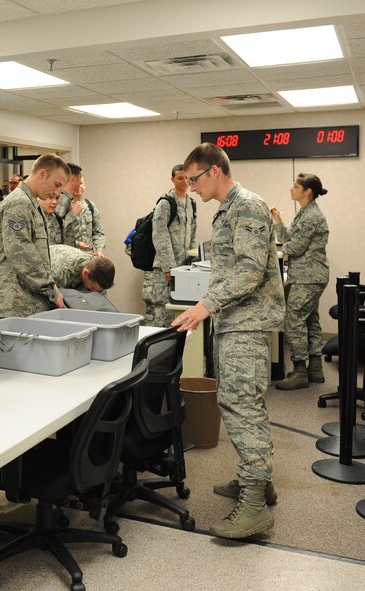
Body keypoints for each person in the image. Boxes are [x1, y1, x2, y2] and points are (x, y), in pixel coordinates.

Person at [172, 143, 285, 539]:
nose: (192, 187)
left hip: (246, 324)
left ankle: (254, 506)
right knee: (239, 403)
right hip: (233, 321)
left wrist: (207, 305)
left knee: (241, 406)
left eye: (194, 179)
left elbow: (251, 271)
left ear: (215, 171)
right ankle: (258, 482)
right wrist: (209, 306)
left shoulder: (247, 206)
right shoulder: (227, 210)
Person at [0, 155, 69, 319]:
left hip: (30, 303)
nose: (57, 192)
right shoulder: (18, 204)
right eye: (56, 184)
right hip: (16, 305)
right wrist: (51, 290)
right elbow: (22, 254)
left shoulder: (31, 204)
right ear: (42, 174)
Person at [270, 174, 330, 389]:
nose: (291, 189)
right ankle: (315, 368)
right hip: (309, 276)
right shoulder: (305, 213)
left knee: (294, 319)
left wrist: (269, 251)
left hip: (308, 277)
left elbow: (294, 247)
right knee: (310, 320)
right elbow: (290, 238)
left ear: (307, 191)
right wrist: (278, 222)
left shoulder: (311, 216)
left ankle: (299, 371)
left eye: (295, 186)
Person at [142, 164, 198, 327]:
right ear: (172, 179)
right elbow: (159, 236)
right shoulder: (165, 204)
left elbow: (193, 233)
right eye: (180, 178)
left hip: (184, 267)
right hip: (165, 270)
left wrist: (192, 262)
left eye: (187, 178)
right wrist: (168, 267)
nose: (184, 181)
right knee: (163, 313)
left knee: (180, 313)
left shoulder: (191, 203)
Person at [54, 164, 105, 255]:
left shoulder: (90, 206)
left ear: (85, 185)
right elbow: (56, 234)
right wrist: (77, 244)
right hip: (69, 255)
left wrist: (99, 250)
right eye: (79, 181)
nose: (79, 186)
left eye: (82, 183)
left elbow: (98, 232)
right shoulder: (60, 203)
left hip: (89, 255)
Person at [50, 244, 115, 291]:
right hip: (44, 273)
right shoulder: (61, 271)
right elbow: (45, 285)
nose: (93, 291)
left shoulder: (96, 272)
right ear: (85, 273)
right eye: (92, 288)